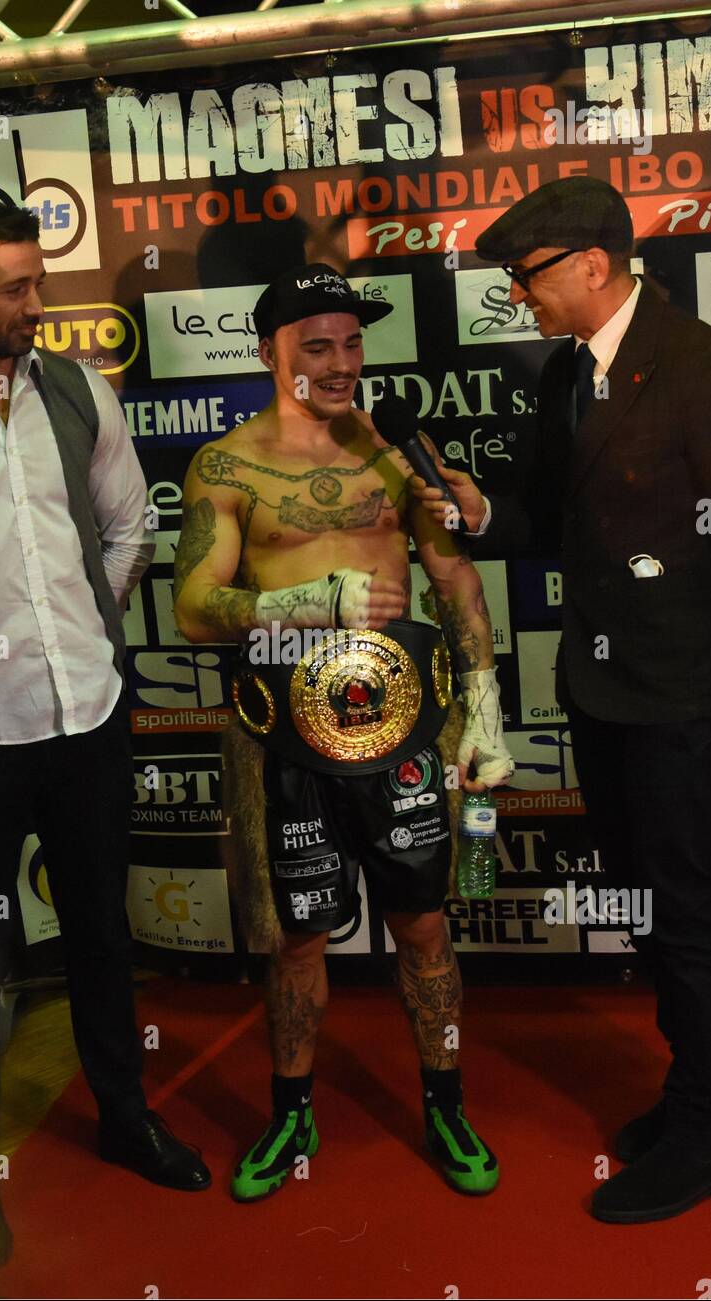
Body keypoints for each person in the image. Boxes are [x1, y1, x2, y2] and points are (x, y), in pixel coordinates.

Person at [0, 200, 211, 1262]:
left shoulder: (75, 391)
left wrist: (97, 628)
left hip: (88, 717)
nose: (38, 304)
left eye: (39, 280)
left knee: (103, 934)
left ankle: (126, 1116)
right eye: (15, 287)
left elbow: (127, 522)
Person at [412, 175, 711, 1224]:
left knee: (686, 915)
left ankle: (709, 1132)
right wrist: (476, 508)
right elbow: (543, 518)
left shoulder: (703, 370)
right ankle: (701, 1092)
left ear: (592, 264)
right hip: (600, 695)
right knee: (652, 914)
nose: (517, 293)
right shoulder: (563, 374)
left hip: (686, 703)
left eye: (529, 273)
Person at [174, 263, 513, 1201]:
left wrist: (483, 705)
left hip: (403, 733)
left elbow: (457, 581)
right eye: (315, 345)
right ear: (267, 353)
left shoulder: (395, 451)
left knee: (426, 925)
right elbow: (196, 611)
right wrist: (309, 600)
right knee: (295, 941)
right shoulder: (228, 465)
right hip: (286, 739)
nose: (339, 363)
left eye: (352, 343)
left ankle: (445, 1102)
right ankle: (291, 1112)